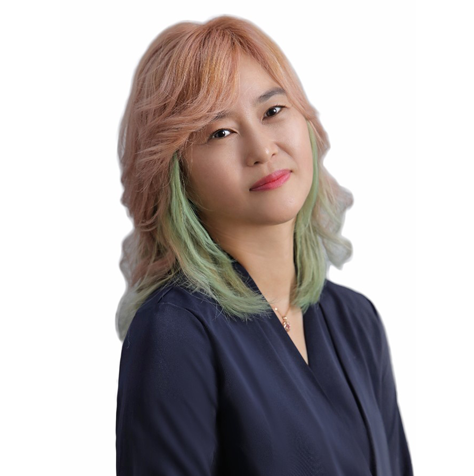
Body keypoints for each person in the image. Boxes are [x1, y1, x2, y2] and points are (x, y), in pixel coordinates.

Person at [115, 15, 413, 476]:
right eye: (220, 132)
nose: (261, 149)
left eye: (273, 111)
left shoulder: (357, 321)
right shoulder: (174, 331)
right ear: (176, 174)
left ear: (306, 122)